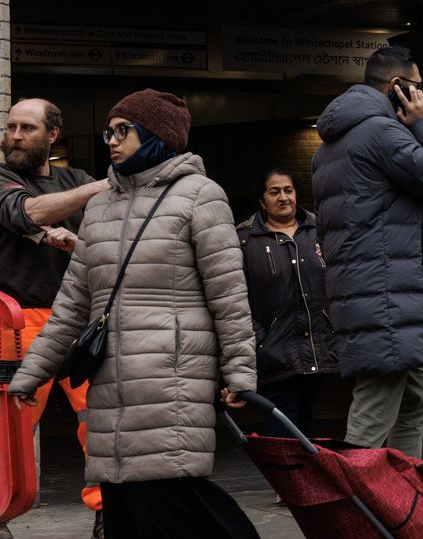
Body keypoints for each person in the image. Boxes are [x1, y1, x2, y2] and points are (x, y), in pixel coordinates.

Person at [7, 88, 259, 538]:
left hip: (172, 378)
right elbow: (70, 308)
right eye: (110, 130)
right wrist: (32, 373)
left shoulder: (200, 196)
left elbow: (229, 294)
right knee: (123, 501)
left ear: (156, 135)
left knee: (176, 495)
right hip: (110, 385)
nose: (112, 140)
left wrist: (239, 370)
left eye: (124, 131)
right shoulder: (101, 205)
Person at [312, 45, 423, 461]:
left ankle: (402, 496)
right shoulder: (381, 132)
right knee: (373, 413)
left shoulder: (330, 145)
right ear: (396, 87)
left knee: (418, 398)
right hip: (386, 297)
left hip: (375, 294)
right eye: (418, 88)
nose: (422, 97)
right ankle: (353, 507)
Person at [0, 98, 110, 538]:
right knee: (10, 426)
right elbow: (27, 212)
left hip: (80, 319)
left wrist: (78, 243)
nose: (15, 136)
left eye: (27, 128)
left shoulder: (74, 178)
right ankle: (1, 514)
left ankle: (108, 513)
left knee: (99, 421)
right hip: (16, 321)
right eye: (11, 127)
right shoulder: (4, 178)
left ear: (53, 135)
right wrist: (98, 189)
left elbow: (109, 244)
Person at [238, 168, 338, 437]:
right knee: (281, 422)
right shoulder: (245, 241)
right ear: (261, 201)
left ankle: (300, 477)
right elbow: (236, 299)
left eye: (288, 190)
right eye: (274, 192)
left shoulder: (320, 231)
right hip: (274, 351)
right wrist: (261, 339)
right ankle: (286, 475)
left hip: (318, 346)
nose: (283, 197)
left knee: (304, 416)